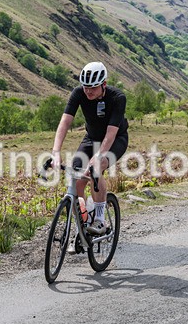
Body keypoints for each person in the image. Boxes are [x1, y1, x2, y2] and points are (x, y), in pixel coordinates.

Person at [51, 61, 129, 235]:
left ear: (104, 84)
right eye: (85, 87)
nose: (88, 91)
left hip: (116, 139)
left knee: (96, 167)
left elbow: (111, 133)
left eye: (93, 88)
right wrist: (56, 152)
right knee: (76, 179)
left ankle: (100, 220)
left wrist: (99, 155)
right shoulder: (78, 93)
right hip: (91, 138)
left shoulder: (117, 98)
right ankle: (83, 225)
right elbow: (65, 122)